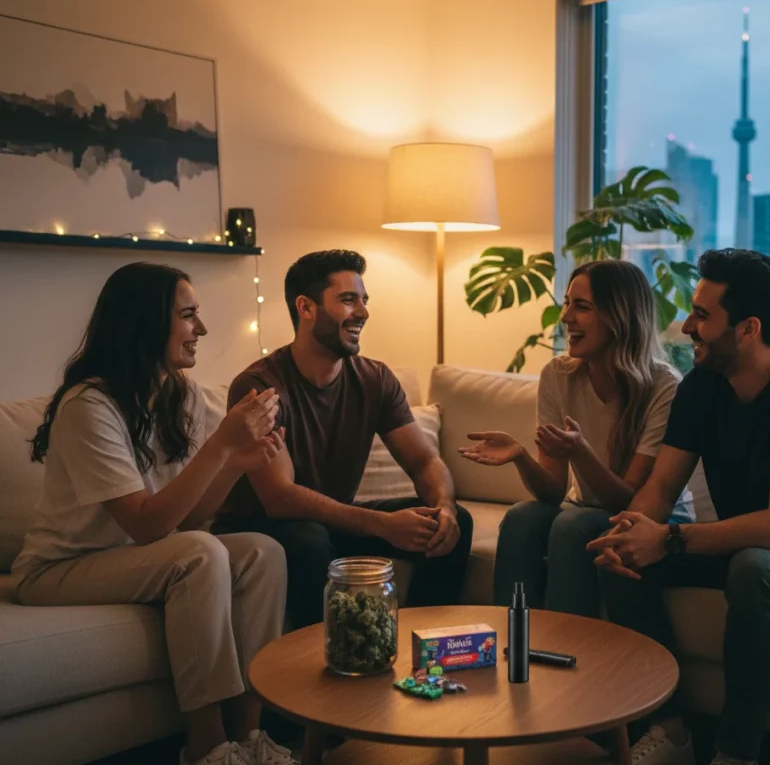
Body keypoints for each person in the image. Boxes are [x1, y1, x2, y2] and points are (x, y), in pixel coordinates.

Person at [586, 249, 770, 765]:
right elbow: (660, 489)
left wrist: (669, 538)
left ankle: (736, 754)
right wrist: (630, 531)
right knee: (624, 553)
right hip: (746, 546)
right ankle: (673, 731)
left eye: (702, 315)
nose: (687, 326)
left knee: (757, 567)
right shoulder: (701, 388)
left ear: (748, 328)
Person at [12, 263, 297, 765]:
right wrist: (223, 443)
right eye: (189, 316)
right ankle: (208, 748)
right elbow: (146, 524)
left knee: (261, 551)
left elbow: (187, 522)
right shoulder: (89, 405)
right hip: (60, 569)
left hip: (141, 556)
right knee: (198, 555)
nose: (201, 330)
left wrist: (234, 465)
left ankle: (250, 739)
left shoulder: (178, 394)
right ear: (145, 323)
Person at [212, 250, 473, 628]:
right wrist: (381, 524)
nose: (363, 312)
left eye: (364, 300)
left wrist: (444, 508)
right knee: (309, 540)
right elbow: (281, 497)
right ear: (306, 307)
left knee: (451, 522)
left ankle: (417, 645)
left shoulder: (374, 379)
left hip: (329, 521)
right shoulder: (260, 386)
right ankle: (315, 667)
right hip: (259, 527)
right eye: (348, 300)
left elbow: (424, 461)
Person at [460, 259, 693, 614]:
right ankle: (511, 643)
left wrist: (581, 452)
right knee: (523, 518)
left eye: (581, 307)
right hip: (584, 508)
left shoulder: (664, 386)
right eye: (567, 304)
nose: (566, 317)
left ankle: (568, 652)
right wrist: (521, 456)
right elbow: (552, 492)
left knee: (575, 524)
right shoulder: (558, 374)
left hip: (658, 519)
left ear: (620, 317)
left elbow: (630, 500)